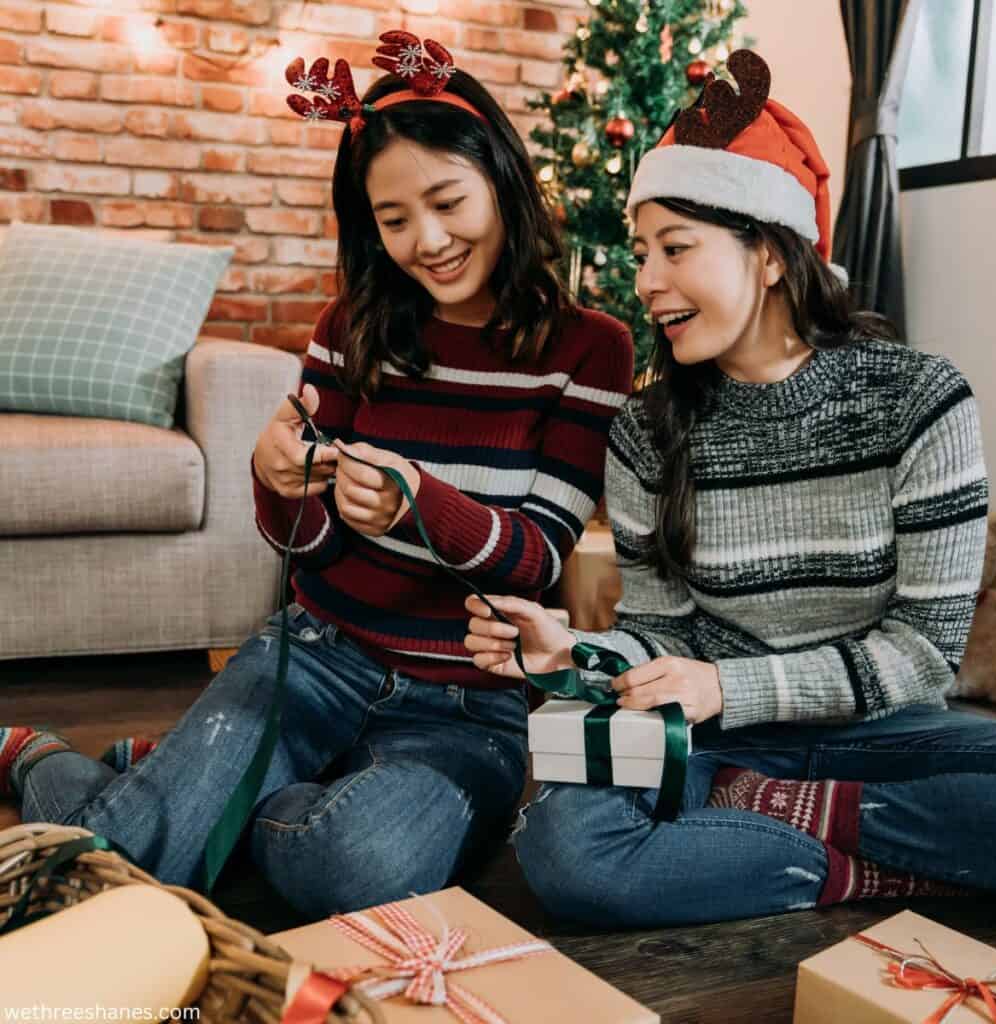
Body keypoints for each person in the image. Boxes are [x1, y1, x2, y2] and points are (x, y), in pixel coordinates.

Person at [0, 32, 633, 919]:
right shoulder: (354, 324)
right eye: (394, 218)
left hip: (466, 707)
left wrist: (420, 501)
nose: (430, 241)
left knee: (352, 862)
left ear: (504, 180)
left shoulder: (590, 348)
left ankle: (170, 787)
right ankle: (77, 768)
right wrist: (279, 480)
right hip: (317, 656)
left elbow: (534, 561)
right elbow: (308, 550)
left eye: (448, 201)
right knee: (122, 872)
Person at [464, 50, 996, 928]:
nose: (646, 282)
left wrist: (733, 688)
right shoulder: (647, 431)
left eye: (675, 249)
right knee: (567, 854)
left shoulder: (920, 398)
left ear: (767, 252)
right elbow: (659, 637)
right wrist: (577, 649)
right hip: (711, 743)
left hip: (882, 732)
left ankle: (780, 823)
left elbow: (924, 655)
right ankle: (884, 859)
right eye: (643, 251)